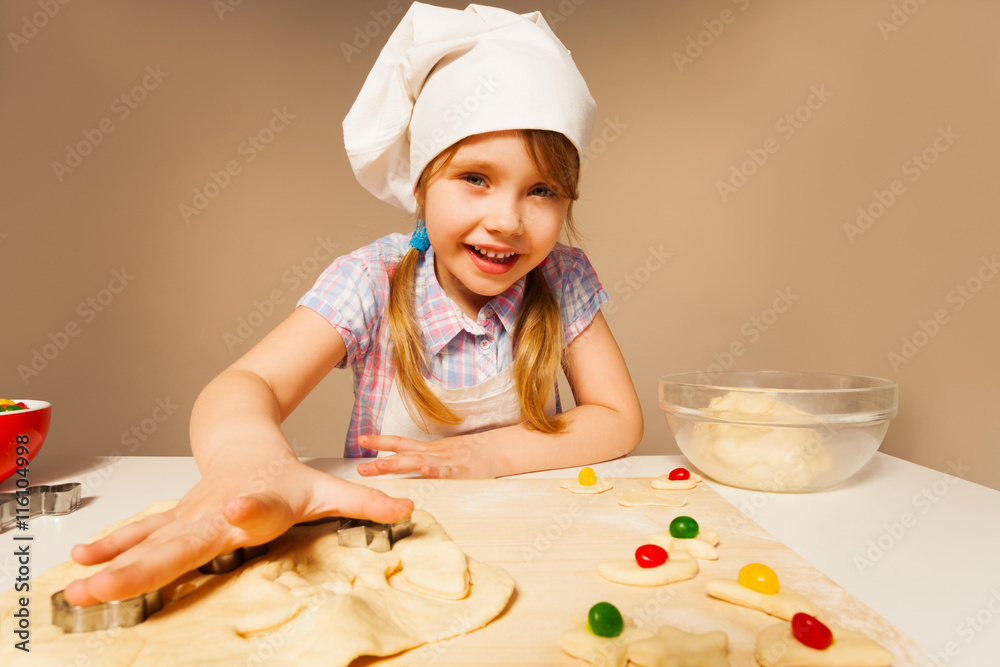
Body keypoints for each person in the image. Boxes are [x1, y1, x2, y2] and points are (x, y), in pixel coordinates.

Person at [64, 2, 642, 607]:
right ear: (421, 182)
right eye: (475, 177)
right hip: (390, 550)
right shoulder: (372, 281)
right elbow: (247, 382)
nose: (505, 220)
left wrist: (492, 453)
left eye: (542, 190)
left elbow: (618, 417)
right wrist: (248, 461)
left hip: (534, 547)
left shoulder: (563, 278)